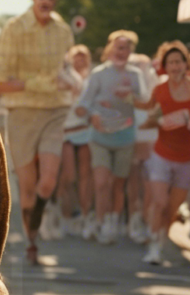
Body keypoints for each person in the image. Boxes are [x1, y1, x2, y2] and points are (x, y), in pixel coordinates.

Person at [0, 0, 74, 265]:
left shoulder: (63, 30)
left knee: (47, 181)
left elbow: (67, 70)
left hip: (56, 110)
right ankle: (31, 241)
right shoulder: (14, 28)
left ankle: (36, 227)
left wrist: (72, 79)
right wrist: (38, 83)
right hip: (22, 113)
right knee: (27, 188)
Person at [134, 44, 190, 265]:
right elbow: (148, 117)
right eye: (171, 62)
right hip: (162, 154)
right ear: (165, 67)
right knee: (160, 202)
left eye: (178, 61)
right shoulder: (160, 89)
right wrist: (160, 120)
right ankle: (154, 246)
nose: (175, 66)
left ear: (185, 64)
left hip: (187, 157)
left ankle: (161, 237)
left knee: (173, 207)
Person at [76, 31, 144, 244]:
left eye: (125, 48)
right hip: (100, 138)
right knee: (101, 181)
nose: (121, 51)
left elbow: (144, 103)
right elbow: (82, 105)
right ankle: (99, 220)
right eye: (118, 47)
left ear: (130, 51)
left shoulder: (135, 75)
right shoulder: (98, 73)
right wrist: (92, 115)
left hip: (125, 137)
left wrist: (131, 96)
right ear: (110, 49)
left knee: (118, 183)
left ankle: (112, 222)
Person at [57, 45, 93, 239]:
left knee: (86, 177)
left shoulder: (92, 78)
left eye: (83, 57)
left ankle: (85, 217)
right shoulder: (64, 75)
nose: (80, 60)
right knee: (68, 176)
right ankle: (66, 216)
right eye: (76, 57)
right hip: (65, 131)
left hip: (85, 130)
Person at [127, 53, 159, 244]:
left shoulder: (155, 87)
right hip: (131, 139)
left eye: (143, 66)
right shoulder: (125, 88)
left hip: (151, 140)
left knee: (148, 184)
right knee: (133, 183)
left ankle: (145, 220)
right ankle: (134, 219)